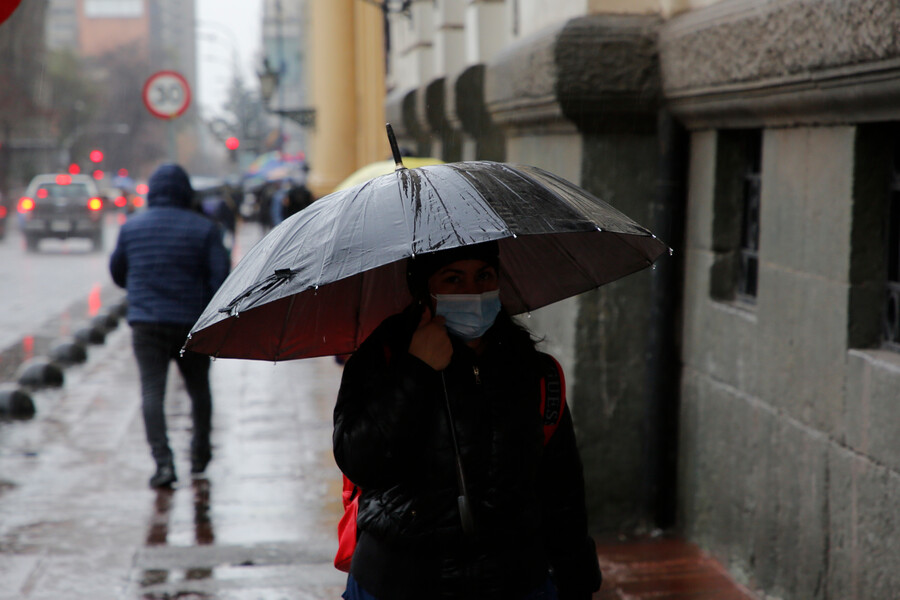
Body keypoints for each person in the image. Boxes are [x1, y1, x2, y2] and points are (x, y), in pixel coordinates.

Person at [333, 241, 602, 599]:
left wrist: (578, 580)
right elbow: (360, 460)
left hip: (515, 581)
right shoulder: (380, 361)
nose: (473, 292)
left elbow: (561, 490)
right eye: (453, 279)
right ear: (423, 288)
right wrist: (416, 370)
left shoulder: (534, 372)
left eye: (484, 276)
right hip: (398, 581)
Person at [110, 163, 231, 489]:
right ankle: (200, 455)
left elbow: (118, 273)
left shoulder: (131, 227)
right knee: (199, 390)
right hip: (191, 325)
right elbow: (220, 279)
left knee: (152, 392)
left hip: (146, 323)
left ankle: (163, 464)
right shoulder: (205, 229)